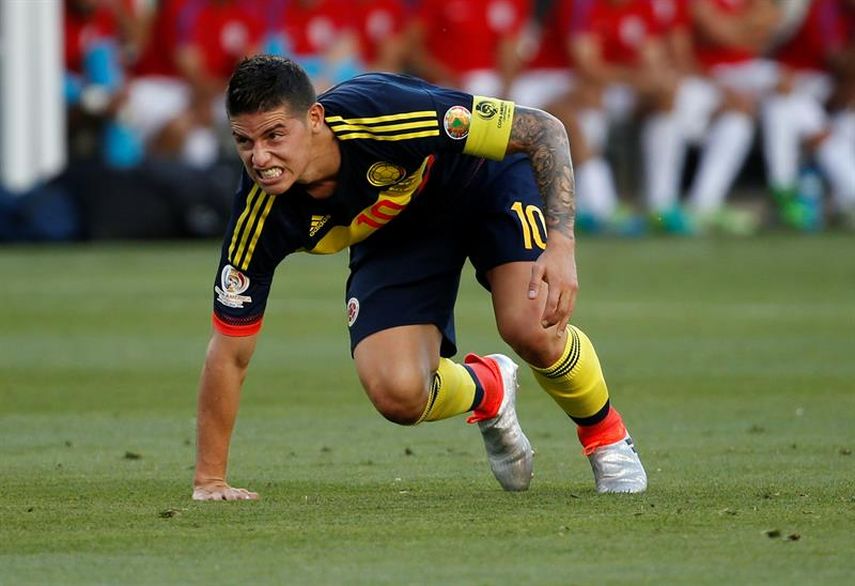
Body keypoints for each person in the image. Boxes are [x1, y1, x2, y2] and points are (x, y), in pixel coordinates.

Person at [191, 54, 647, 501]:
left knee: (530, 324)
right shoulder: (258, 217)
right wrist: (210, 480)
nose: (260, 157)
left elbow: (544, 129)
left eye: (274, 135)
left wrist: (561, 243)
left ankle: (606, 436)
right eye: (244, 141)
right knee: (398, 393)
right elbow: (229, 353)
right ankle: (488, 388)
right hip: (398, 227)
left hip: (482, 179)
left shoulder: (385, 113)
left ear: (314, 118)